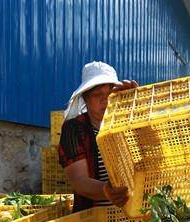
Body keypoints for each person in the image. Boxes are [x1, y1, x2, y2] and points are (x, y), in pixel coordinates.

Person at [58, 61, 137, 213]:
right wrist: (106, 191)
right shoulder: (74, 129)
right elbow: (79, 181)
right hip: (94, 220)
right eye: (97, 95)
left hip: (132, 216)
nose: (105, 100)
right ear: (86, 99)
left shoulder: (127, 123)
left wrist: (138, 104)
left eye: (110, 94)